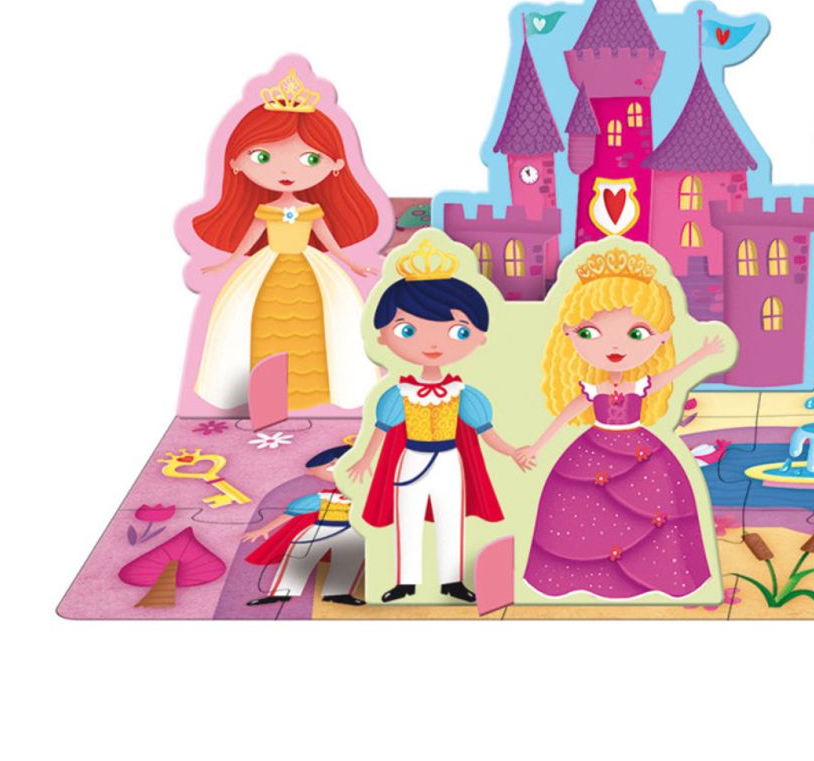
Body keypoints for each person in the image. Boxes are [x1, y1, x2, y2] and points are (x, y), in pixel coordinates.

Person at [521, 245, 727, 600]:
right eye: (590, 333)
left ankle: (660, 579)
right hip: (592, 450)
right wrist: (536, 447)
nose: (615, 346)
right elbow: (564, 416)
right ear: (569, 335)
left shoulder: (638, 385)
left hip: (641, 449)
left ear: (661, 338)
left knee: (658, 509)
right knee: (581, 511)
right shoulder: (593, 388)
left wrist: (701, 354)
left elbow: (671, 375)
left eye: (637, 334)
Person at [346, 243, 530, 603]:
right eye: (407, 331)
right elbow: (382, 430)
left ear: (480, 337)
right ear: (382, 336)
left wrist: (511, 451)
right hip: (410, 460)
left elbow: (486, 432)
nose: (432, 344)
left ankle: (452, 581)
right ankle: (406, 581)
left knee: (451, 518)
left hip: (449, 460)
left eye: (458, 332)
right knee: (408, 517)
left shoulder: (464, 393)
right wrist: (366, 459)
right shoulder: (398, 394)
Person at [192, 68, 380, 412]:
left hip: (311, 270)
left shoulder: (311, 210)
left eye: (311, 159)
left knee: (325, 323)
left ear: (335, 164)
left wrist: (352, 263)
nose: (285, 170)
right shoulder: (266, 210)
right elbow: (247, 242)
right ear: (235, 162)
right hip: (267, 270)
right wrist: (225, 264)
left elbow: (330, 243)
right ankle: (262, 398)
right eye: (262, 157)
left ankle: (317, 394)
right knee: (253, 320)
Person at [239, 441, 366, 605]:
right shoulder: (325, 496)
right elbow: (294, 512)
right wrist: (264, 529)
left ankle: (338, 593)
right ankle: (282, 592)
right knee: (299, 556)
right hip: (321, 528)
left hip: (351, 531)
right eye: (333, 466)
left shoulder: (366, 493)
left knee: (349, 558)